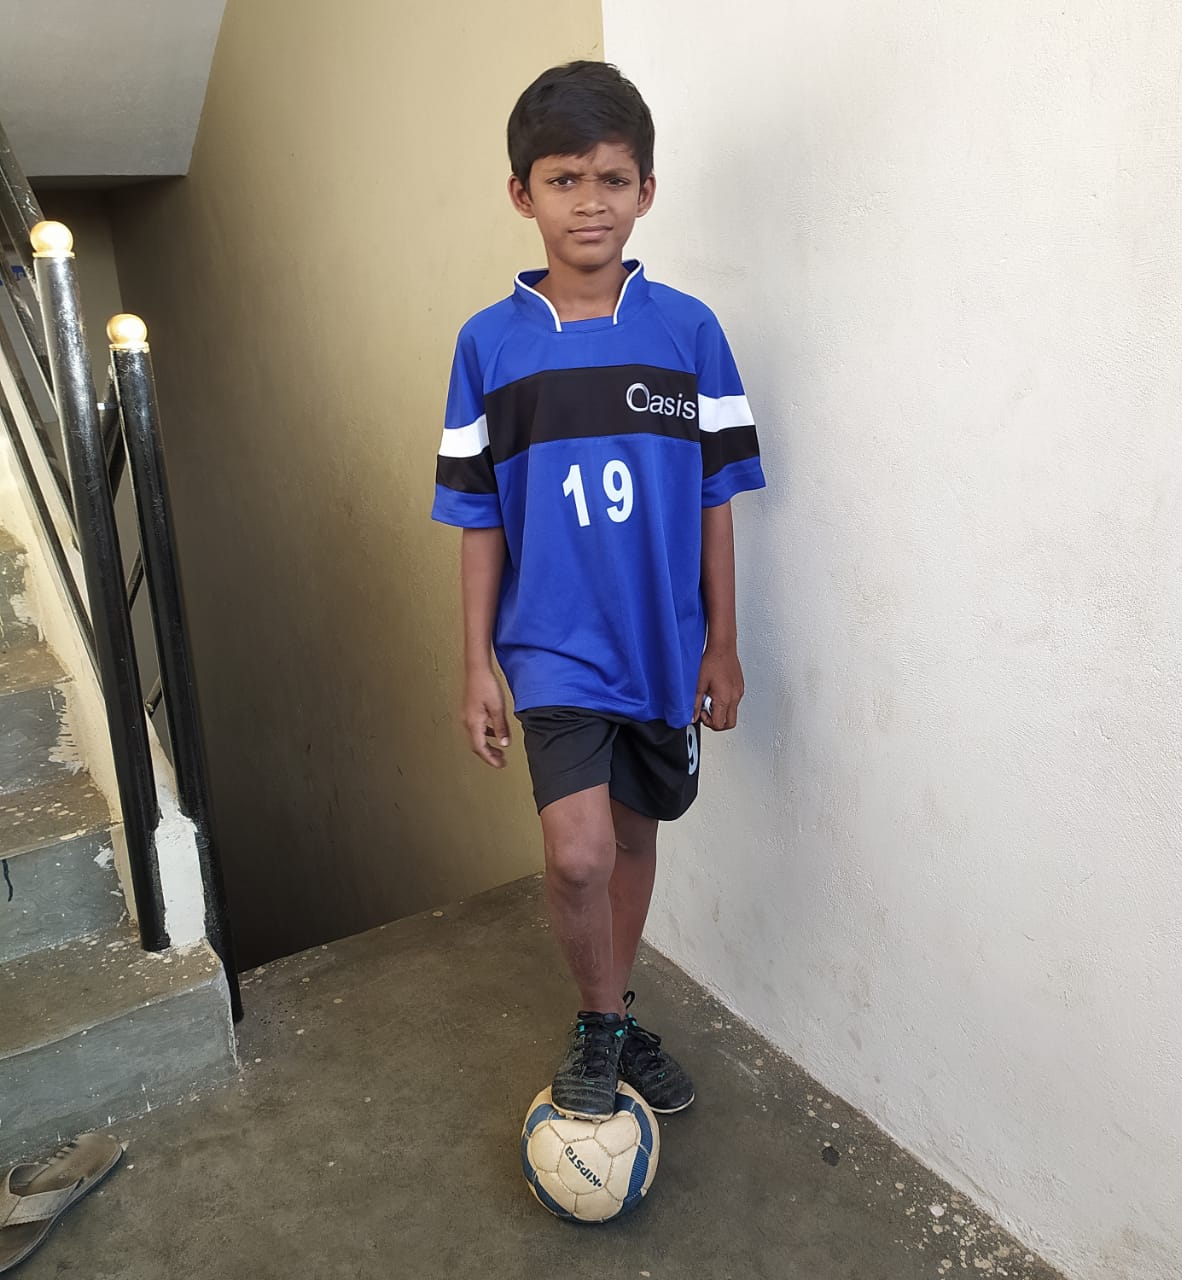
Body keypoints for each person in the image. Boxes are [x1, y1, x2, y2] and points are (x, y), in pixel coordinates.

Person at [432, 60, 765, 1120]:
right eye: (564, 179)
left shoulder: (689, 333)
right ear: (521, 193)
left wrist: (722, 643)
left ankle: (615, 1018)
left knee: (629, 839)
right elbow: (479, 516)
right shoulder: (487, 346)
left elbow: (715, 499)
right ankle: (593, 1018)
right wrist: (476, 664)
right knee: (575, 855)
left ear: (646, 191)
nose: (590, 202)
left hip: (661, 644)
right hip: (551, 647)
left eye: (613, 179)